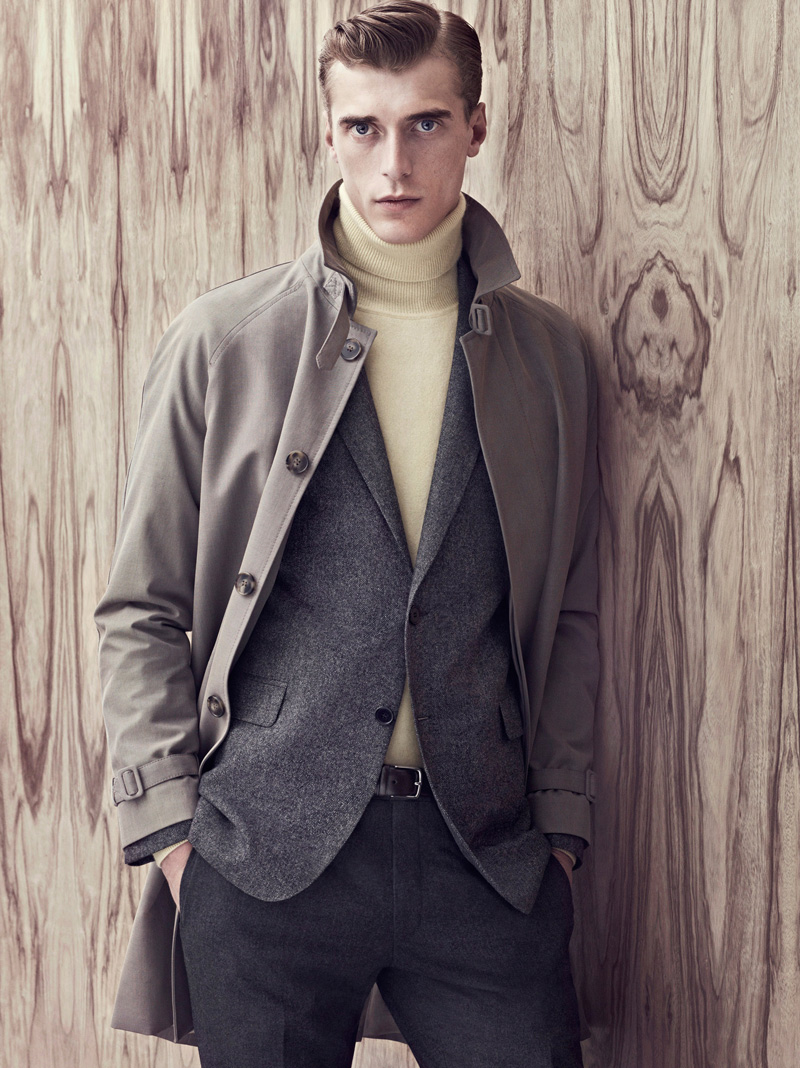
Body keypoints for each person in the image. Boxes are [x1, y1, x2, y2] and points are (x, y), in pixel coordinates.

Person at [94, 2, 599, 1065]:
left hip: (485, 859)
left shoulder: (549, 359)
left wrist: (558, 829)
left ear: (476, 126)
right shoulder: (224, 342)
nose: (393, 163)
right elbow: (140, 606)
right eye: (363, 127)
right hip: (263, 860)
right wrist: (175, 834)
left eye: (425, 124)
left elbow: (570, 614)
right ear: (328, 133)